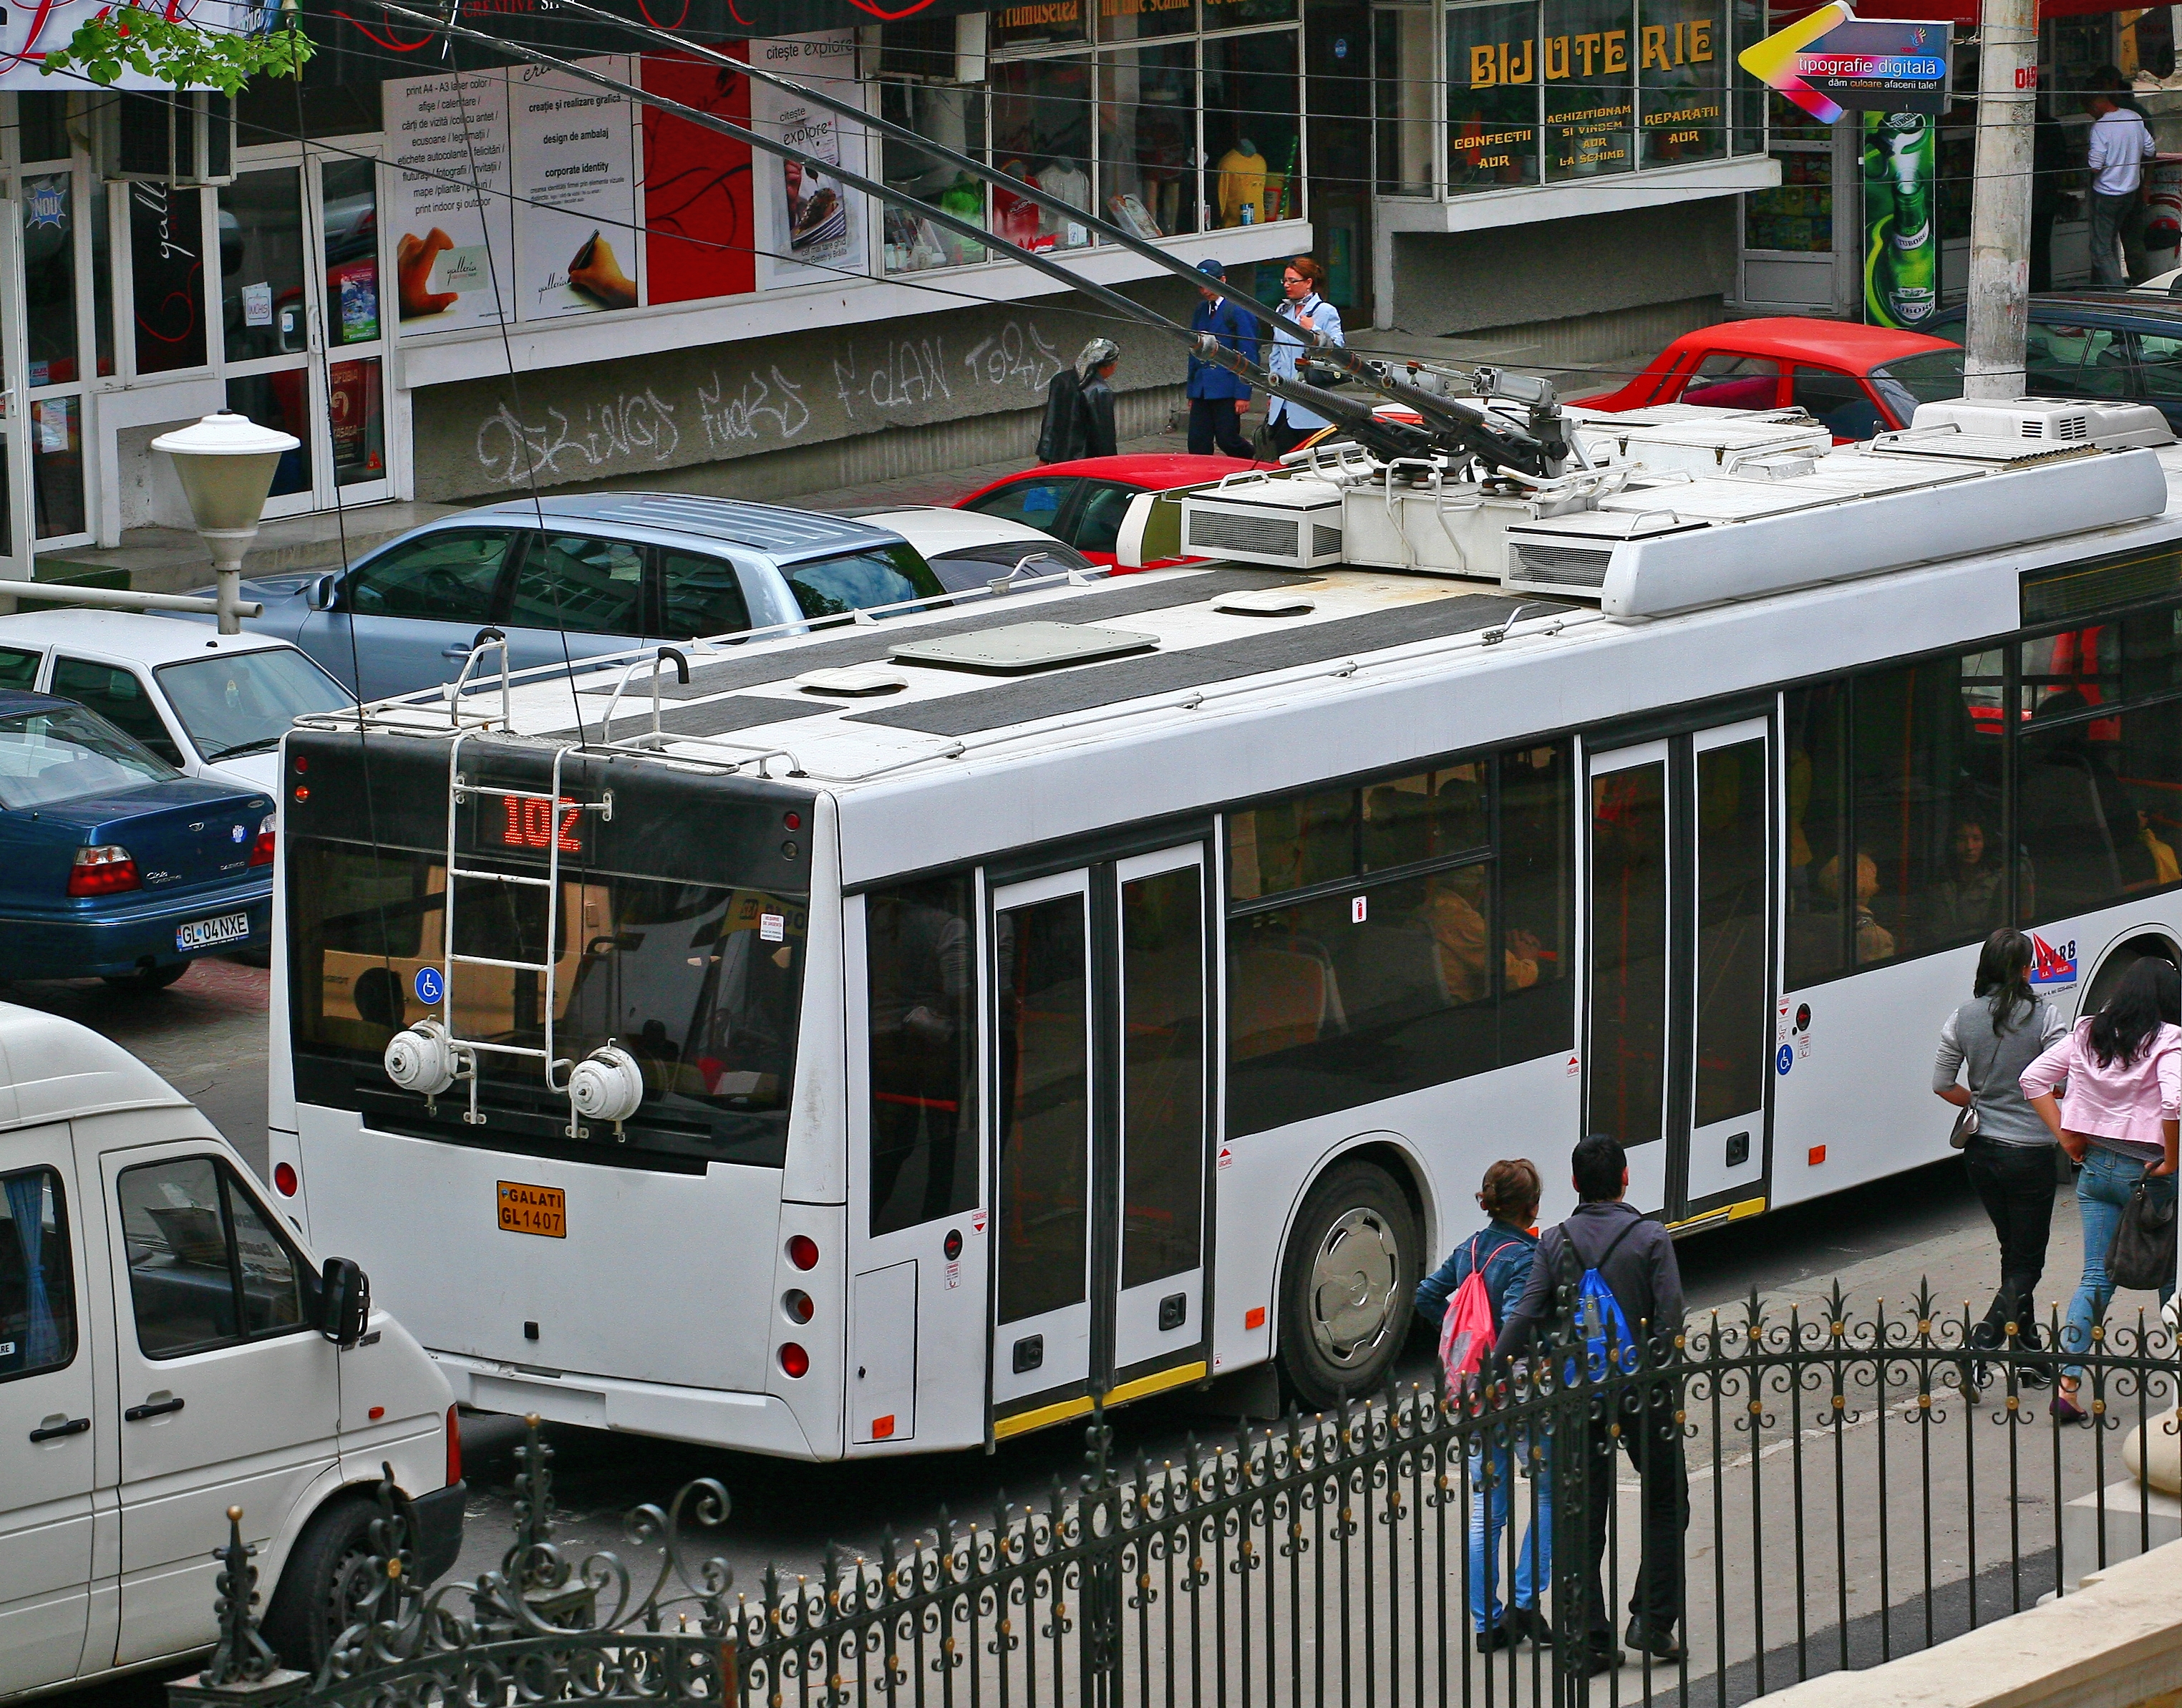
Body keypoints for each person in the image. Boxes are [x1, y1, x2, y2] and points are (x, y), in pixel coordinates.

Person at [1493, 1134, 1688, 1677]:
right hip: (1642, 1391)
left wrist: (1491, 1374)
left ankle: (1590, 1639)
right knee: (1669, 1498)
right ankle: (1653, 1617)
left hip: (1580, 1397)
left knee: (1583, 1517)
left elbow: (1527, 1314)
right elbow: (1670, 1317)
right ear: (1625, 1178)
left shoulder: (1554, 1242)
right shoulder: (1650, 1237)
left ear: (1576, 1183)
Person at [2021, 956, 2182, 1423]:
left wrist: (2066, 1136)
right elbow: (2173, 1101)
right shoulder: (2170, 1041)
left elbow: (2033, 1079)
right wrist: (2172, 1158)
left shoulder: (2089, 1033)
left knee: (2096, 1277)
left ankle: (2068, 1389)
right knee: (2171, 1282)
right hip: (2150, 1174)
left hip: (2095, 1170)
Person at [1415, 1159, 1553, 1654]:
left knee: (1485, 1513)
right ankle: (1523, 1597)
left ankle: (1485, 1623)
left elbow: (1426, 1296)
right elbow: (1519, 1319)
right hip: (1515, 1392)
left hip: (1472, 1391)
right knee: (1552, 1489)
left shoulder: (1470, 1247)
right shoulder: (1527, 1256)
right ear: (1532, 1207)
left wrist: (1460, 1339)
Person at [1934, 928, 2069, 1385]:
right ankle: (1980, 1345)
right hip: (2029, 1154)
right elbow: (2063, 1081)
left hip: (1981, 1152)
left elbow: (1942, 1083)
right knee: (2028, 1262)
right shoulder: (2046, 1019)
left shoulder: (1962, 1017)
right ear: (2026, 969)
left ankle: (2029, 1357)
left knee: (2014, 1254)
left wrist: (1981, 1099)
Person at [1261, 256, 1344, 457]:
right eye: (1285, 281)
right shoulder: (1283, 310)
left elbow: (1339, 350)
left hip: (1313, 400)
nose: (1287, 286)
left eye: (1293, 281)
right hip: (1284, 400)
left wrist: (1314, 329)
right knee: (1283, 458)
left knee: (1310, 462)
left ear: (1308, 283)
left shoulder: (1324, 311)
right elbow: (1277, 355)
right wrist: (1272, 392)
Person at [2085, 69, 2157, 288]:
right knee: (2128, 242)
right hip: (2132, 191)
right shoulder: (2134, 116)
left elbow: (2096, 166)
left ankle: (2118, 293)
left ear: (2097, 103)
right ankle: (2141, 289)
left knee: (2102, 248)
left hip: (2108, 194)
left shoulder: (2101, 127)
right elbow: (2150, 149)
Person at [1187, 259, 1257, 460]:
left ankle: (1252, 461)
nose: (1205, 291)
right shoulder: (1202, 310)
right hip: (1202, 388)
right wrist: (1192, 390)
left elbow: (1248, 352)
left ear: (1223, 281)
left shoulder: (1237, 310)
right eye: (1201, 285)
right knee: (1197, 441)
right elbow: (1195, 349)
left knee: (1228, 439)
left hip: (1227, 386)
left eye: (1209, 285)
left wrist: (1243, 393)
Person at [1036, 337, 1120, 463]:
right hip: (1084, 463)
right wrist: (1110, 465)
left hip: (1058, 460)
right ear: (1110, 366)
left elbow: (1050, 422)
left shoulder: (1060, 380)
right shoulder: (1100, 391)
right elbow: (1104, 438)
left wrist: (1044, 458)